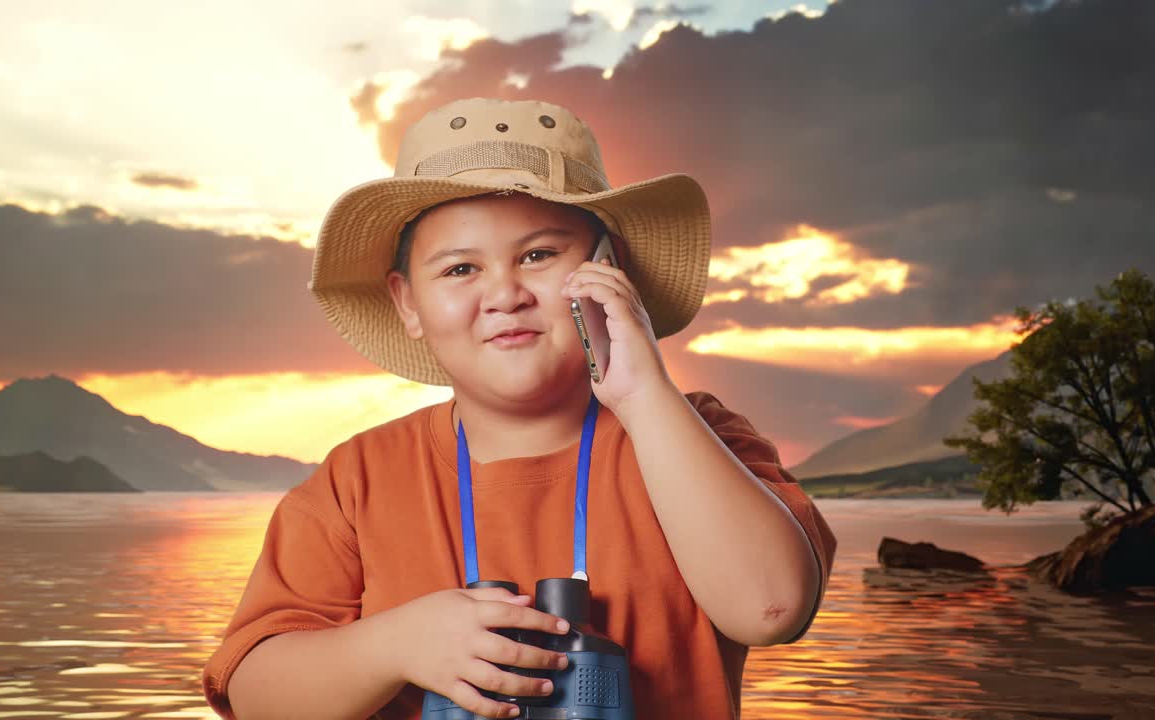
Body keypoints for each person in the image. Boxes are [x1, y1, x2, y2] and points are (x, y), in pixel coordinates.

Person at [200, 96, 837, 720]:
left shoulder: (700, 436)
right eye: (458, 270)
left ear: (610, 270)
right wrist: (394, 645)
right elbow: (255, 698)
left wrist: (645, 396)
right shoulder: (357, 480)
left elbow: (771, 611)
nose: (504, 293)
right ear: (408, 304)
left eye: (538, 256)